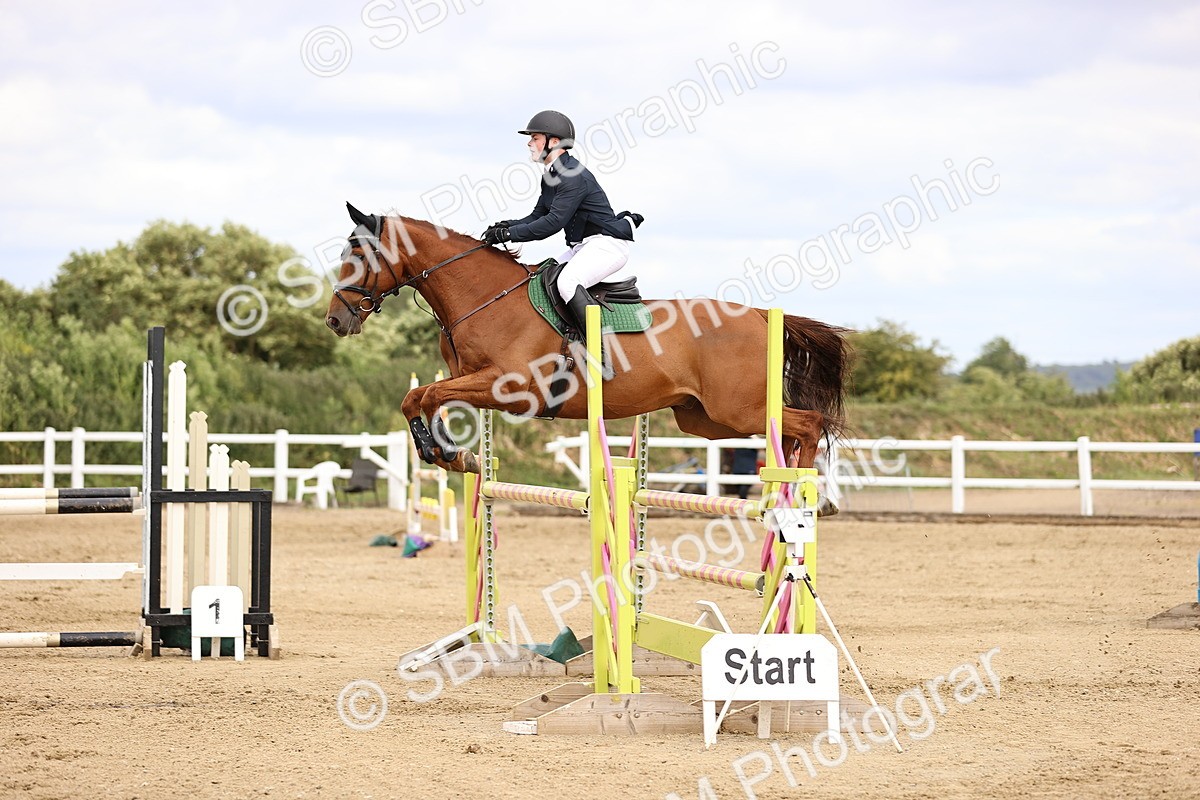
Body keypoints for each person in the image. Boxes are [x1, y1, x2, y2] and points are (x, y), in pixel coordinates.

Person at [482, 110, 640, 338]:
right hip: (583, 247)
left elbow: (552, 223)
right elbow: (537, 216)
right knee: (538, 278)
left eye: (535, 138)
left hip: (607, 246)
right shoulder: (552, 175)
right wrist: (504, 226)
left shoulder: (572, 176)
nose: (529, 143)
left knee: (567, 283)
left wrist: (509, 234)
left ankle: (599, 352)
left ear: (554, 142)